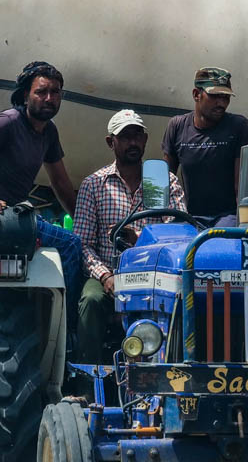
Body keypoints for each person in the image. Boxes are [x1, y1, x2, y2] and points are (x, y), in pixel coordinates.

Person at [0, 59, 83, 288]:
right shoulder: (8, 122)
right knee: (71, 245)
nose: (49, 98)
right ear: (25, 95)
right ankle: (72, 324)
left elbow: (61, 182)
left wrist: (84, 221)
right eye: (41, 92)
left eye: (55, 92)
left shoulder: (49, 132)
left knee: (75, 241)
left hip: (19, 217)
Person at [72, 110, 187, 361]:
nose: (132, 142)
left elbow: (179, 237)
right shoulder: (94, 184)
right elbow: (83, 245)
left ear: (145, 140)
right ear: (110, 142)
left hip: (154, 274)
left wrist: (140, 239)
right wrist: (105, 277)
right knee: (91, 300)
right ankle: (90, 378)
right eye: (125, 137)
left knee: (188, 297)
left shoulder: (164, 182)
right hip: (110, 271)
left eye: (137, 136)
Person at [163, 66, 248, 221]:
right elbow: (166, 182)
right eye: (215, 96)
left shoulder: (239, 126)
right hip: (188, 218)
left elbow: (242, 189)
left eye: (226, 97)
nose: (222, 103)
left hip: (227, 218)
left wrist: (243, 227)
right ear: (196, 94)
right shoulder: (177, 126)